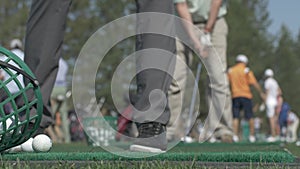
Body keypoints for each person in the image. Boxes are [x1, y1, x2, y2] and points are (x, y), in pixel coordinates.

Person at [168, 0, 233, 142]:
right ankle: (171, 129)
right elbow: (181, 5)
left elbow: (216, 2)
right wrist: (196, 41)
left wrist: (207, 31)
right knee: (175, 78)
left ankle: (222, 130)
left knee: (218, 79)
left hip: (214, 23)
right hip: (182, 24)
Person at [227, 54, 265, 143]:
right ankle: (251, 136)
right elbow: (254, 83)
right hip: (246, 95)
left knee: (235, 116)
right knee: (250, 116)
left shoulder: (231, 70)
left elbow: (226, 82)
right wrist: (261, 93)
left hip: (235, 95)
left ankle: (235, 136)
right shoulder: (246, 70)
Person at [263, 68, 282, 142]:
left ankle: (273, 135)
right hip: (275, 101)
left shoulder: (267, 81)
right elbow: (279, 92)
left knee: (270, 119)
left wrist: (264, 102)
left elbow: (267, 92)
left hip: (269, 101)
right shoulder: (274, 82)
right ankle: (273, 134)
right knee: (274, 118)